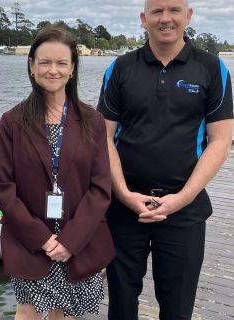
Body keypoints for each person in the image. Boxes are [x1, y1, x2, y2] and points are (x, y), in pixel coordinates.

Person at [97, 1, 233, 319]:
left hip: (185, 212)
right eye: (157, 11)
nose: (165, 18)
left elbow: (221, 142)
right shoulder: (120, 68)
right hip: (123, 208)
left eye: (174, 9)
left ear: (188, 16)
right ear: (144, 19)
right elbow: (102, 138)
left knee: (177, 308)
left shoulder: (212, 68)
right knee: (121, 304)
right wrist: (124, 195)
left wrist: (180, 199)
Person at [0, 27, 115, 319]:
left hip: (80, 240)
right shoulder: (13, 121)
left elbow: (100, 188)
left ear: (72, 69)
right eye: (44, 62)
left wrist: (71, 240)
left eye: (61, 63)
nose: (53, 70)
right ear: (32, 66)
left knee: (67, 315)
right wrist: (42, 239)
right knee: (28, 313)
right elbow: (2, 185)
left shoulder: (92, 120)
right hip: (30, 241)